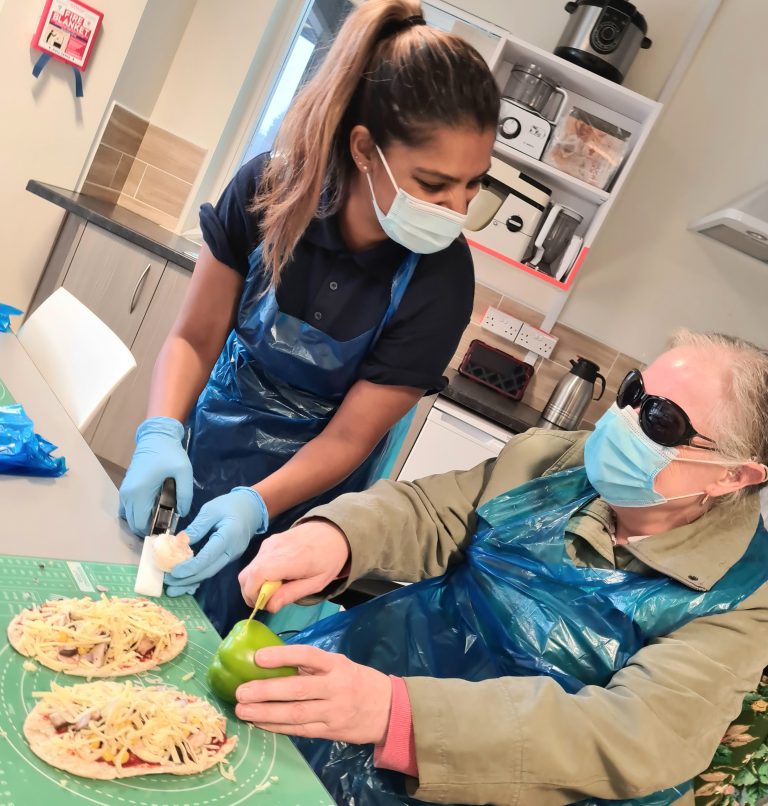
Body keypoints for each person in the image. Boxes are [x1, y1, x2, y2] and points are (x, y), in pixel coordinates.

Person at [236, 330, 768, 806]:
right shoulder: (557, 461)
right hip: (382, 690)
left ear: (733, 476)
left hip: (511, 778)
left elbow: (635, 733)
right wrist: (338, 537)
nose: (624, 422)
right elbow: (434, 513)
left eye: (660, 420)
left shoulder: (744, 594)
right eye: (633, 393)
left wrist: (402, 716)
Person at [117, 0, 500, 633]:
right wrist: (160, 432)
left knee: (227, 648)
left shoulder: (441, 281)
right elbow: (195, 337)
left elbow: (350, 438)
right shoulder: (268, 190)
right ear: (365, 148)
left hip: (309, 493)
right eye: (434, 184)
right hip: (208, 444)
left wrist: (254, 506)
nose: (457, 209)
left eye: (474, 184)